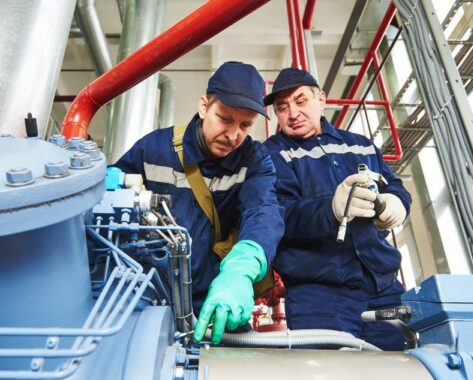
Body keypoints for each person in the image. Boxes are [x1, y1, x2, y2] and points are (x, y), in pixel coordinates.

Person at [114, 61, 284, 344]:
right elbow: (113, 200)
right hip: (151, 296)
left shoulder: (254, 158)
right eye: (225, 119)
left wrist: (240, 271)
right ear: (204, 107)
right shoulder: (154, 149)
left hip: (216, 297)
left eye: (245, 125)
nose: (233, 135)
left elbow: (263, 211)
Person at [263, 68, 411, 350]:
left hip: (383, 287)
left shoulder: (360, 145)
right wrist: (329, 209)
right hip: (318, 296)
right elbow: (278, 214)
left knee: (400, 372)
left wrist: (397, 202)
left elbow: (393, 184)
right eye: (282, 108)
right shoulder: (271, 155)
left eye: (301, 100)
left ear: (321, 99)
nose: (292, 112)